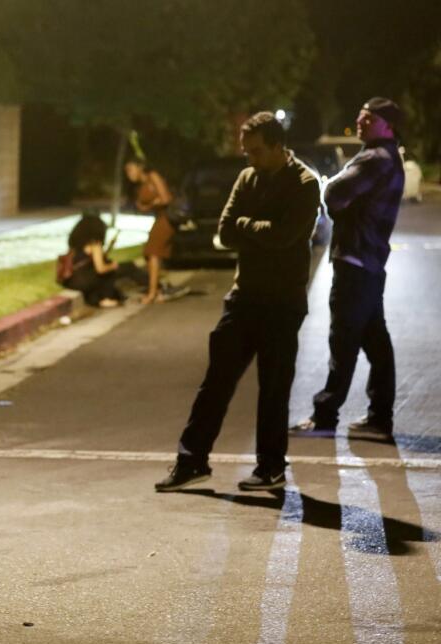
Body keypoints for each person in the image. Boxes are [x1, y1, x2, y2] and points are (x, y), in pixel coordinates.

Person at [155, 111, 320, 492]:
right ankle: (191, 461)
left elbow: (285, 236)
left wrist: (249, 226)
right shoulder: (247, 178)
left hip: (282, 303)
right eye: (247, 152)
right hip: (243, 298)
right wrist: (254, 228)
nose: (251, 159)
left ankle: (271, 467)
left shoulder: (304, 183)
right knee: (215, 382)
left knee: (274, 389)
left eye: (258, 151)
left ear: (279, 146)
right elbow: (225, 232)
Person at [291, 98, 406, 442]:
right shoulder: (390, 158)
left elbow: (334, 192)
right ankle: (379, 417)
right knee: (375, 340)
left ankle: (325, 415)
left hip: (355, 260)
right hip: (370, 263)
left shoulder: (374, 158)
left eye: (368, 117)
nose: (360, 120)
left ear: (387, 125)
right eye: (360, 114)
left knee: (343, 340)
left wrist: (341, 205)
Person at [62, 212, 147, 307]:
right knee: (122, 267)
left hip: (71, 281)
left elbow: (88, 262)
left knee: (105, 270)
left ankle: (97, 300)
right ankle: (106, 298)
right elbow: (100, 269)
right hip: (85, 280)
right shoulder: (94, 244)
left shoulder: (75, 244)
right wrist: (114, 265)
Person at [125, 159, 180, 304]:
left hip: (167, 218)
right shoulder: (140, 186)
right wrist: (147, 206)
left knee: (153, 252)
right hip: (159, 218)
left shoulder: (153, 176)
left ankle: (152, 292)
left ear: (140, 167)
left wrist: (151, 204)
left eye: (131, 170)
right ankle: (158, 288)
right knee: (148, 253)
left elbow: (166, 198)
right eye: (127, 171)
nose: (129, 174)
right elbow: (144, 206)